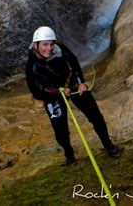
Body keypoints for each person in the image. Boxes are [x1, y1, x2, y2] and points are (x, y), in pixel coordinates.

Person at [25, 26, 121, 165]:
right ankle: (69, 155)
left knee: (96, 116)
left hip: (71, 83)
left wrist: (81, 82)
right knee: (60, 129)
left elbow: (74, 63)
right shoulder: (32, 66)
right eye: (45, 44)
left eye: (51, 44)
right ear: (36, 45)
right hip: (52, 93)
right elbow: (36, 92)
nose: (49, 48)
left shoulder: (61, 50)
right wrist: (58, 92)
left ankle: (109, 146)